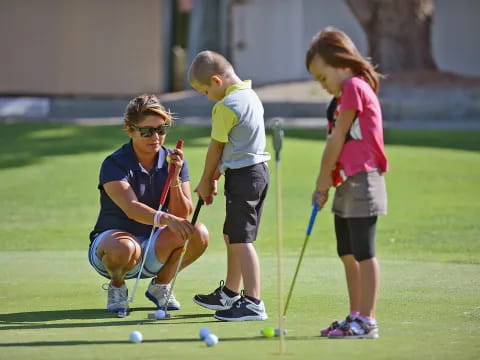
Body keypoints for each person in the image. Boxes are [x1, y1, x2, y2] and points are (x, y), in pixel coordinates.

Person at [88, 94, 209, 315]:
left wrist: (174, 178)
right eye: (146, 131)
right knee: (125, 247)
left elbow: (182, 213)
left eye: (161, 130)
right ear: (129, 130)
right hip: (113, 248)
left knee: (197, 232)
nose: (155, 137)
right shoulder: (114, 163)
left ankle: (161, 285)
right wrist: (166, 219)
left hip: (154, 247)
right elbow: (131, 208)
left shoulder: (174, 160)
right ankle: (117, 287)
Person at [305, 28, 388, 338]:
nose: (324, 86)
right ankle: (355, 315)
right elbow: (335, 137)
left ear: (340, 62)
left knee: (364, 252)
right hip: (347, 182)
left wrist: (321, 183)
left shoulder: (354, 86)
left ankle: (368, 320)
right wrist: (328, 182)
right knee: (347, 251)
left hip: (363, 179)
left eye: (323, 78)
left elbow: (337, 139)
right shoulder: (342, 96)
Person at [187, 50, 271, 321]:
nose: (205, 96)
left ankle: (253, 301)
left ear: (216, 81)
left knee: (241, 239)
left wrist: (204, 180)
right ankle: (231, 293)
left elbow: (216, 148)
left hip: (244, 177)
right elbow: (237, 146)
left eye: (204, 91)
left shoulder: (225, 106)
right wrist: (215, 178)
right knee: (232, 234)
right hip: (256, 174)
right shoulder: (250, 95)